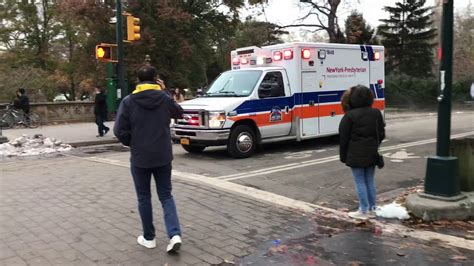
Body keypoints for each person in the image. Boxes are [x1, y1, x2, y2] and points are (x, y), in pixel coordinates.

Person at [114, 65, 184, 253]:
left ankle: (149, 237)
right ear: (155, 80)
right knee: (166, 195)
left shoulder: (128, 101)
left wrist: (132, 142)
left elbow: (119, 130)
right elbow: (179, 112)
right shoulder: (163, 98)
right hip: (162, 154)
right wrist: (165, 91)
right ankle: (174, 234)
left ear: (137, 80)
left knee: (144, 197)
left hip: (140, 157)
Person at [339, 85, 385, 220]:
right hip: (372, 152)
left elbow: (344, 139)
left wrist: (343, 157)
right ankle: (372, 208)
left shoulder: (349, 116)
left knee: (360, 181)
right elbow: (381, 133)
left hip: (355, 154)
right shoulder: (376, 113)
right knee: (370, 181)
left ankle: (363, 210)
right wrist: (374, 145)